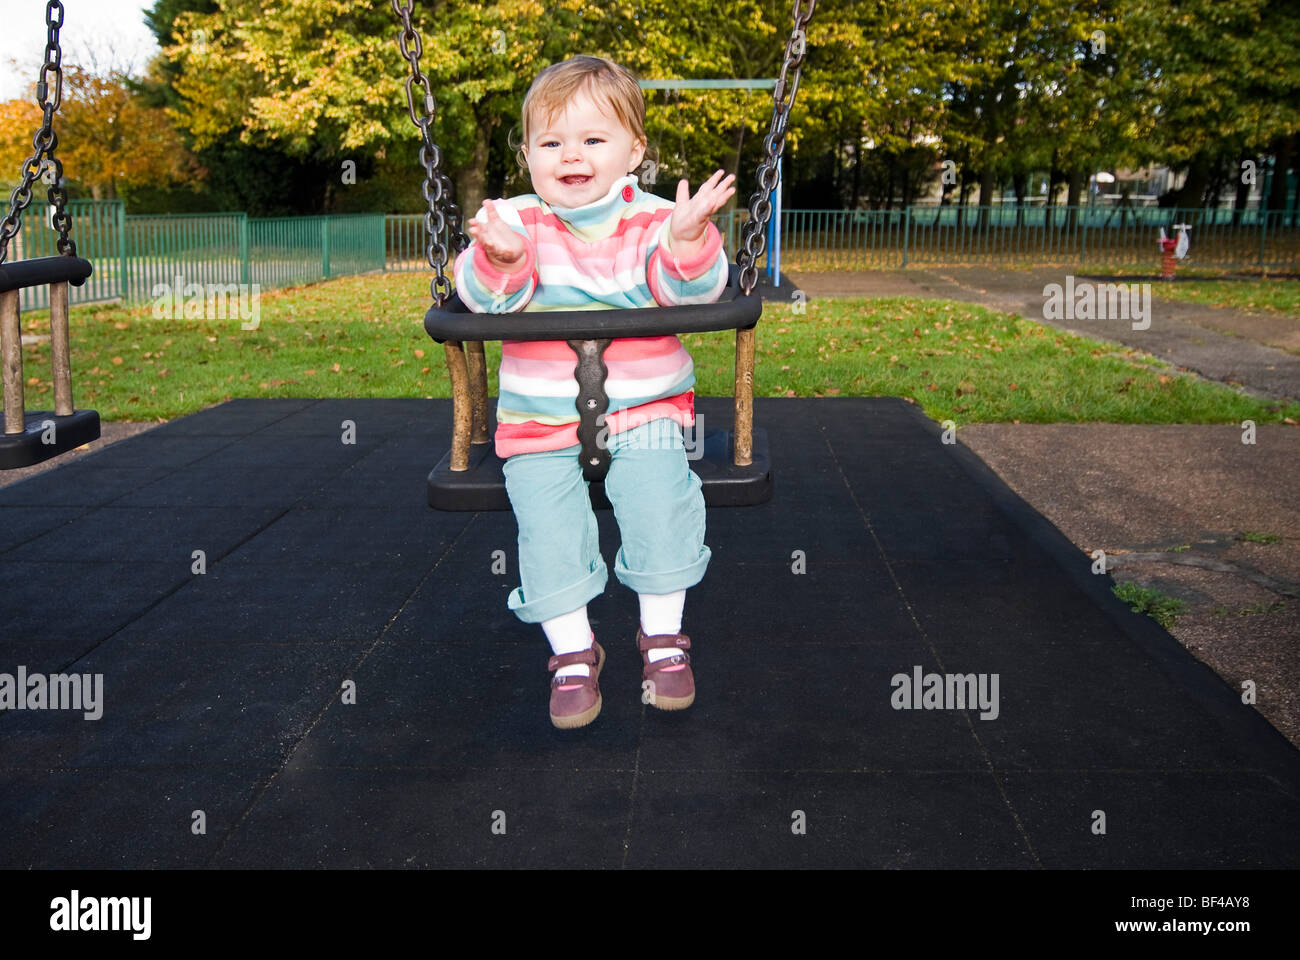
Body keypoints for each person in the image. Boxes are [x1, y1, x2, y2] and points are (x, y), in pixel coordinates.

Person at [453, 54, 736, 729]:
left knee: (661, 506)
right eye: (551, 142)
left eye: (592, 139)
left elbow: (690, 289)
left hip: (647, 413)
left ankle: (663, 639)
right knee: (547, 532)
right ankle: (573, 654)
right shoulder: (512, 221)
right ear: (526, 155)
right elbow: (483, 300)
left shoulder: (662, 220)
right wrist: (502, 261)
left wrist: (691, 241)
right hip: (538, 422)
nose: (571, 155)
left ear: (634, 149)